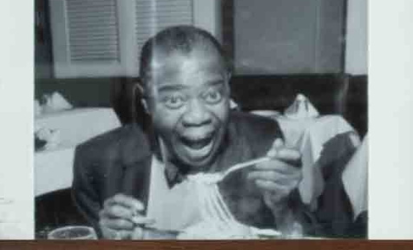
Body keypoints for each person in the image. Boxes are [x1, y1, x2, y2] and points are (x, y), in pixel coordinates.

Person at [71, 27, 334, 239]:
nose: (198, 117)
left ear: (228, 89)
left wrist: (283, 207)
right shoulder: (97, 160)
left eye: (212, 95)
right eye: (174, 100)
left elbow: (305, 247)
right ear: (146, 102)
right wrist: (107, 241)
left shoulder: (261, 140)